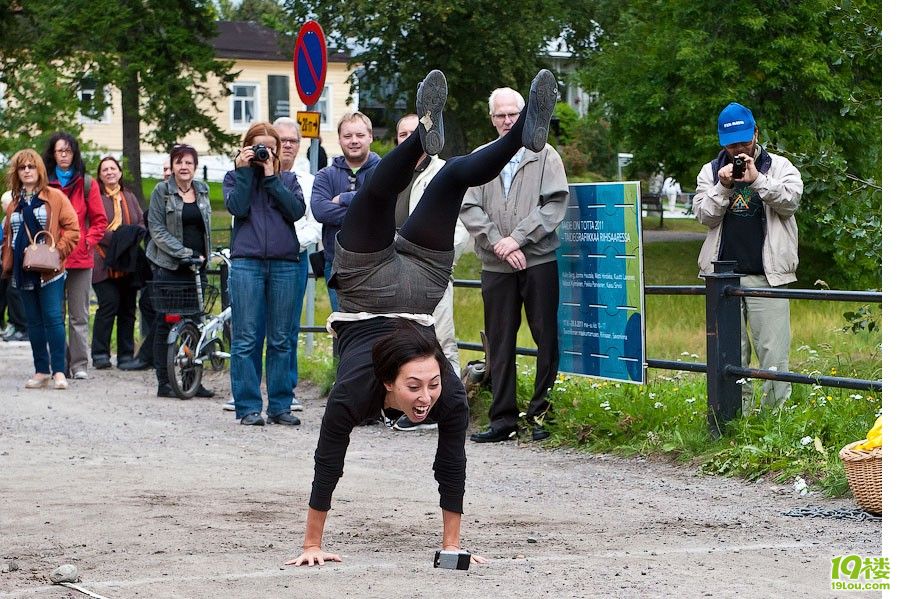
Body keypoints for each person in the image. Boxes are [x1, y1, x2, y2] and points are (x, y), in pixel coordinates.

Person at [284, 68, 557, 568]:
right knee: (419, 185)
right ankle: (423, 143)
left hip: (364, 283)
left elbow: (448, 462)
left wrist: (452, 545)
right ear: (391, 383)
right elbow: (330, 461)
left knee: (388, 195)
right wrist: (311, 547)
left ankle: (523, 132)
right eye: (419, 388)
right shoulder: (386, 387)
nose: (428, 396)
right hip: (421, 287)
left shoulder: (397, 388)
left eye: (430, 386)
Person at [460, 84, 569, 443]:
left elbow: (554, 204)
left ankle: (542, 413)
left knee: (545, 337)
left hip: (537, 260)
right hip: (495, 265)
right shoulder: (481, 156)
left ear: (523, 116)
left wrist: (518, 238)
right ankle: (503, 419)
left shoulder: (545, 154)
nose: (507, 121)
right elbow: (468, 206)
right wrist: (499, 244)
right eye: (500, 115)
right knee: (500, 341)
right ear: (491, 119)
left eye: (513, 114)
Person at [692, 102, 802, 412]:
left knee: (774, 355)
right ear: (722, 142)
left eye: (744, 141)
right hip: (723, 276)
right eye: (731, 144)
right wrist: (724, 186)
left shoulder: (780, 167)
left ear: (756, 133)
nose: (738, 150)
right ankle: (731, 420)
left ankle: (775, 423)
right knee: (730, 356)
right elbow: (704, 216)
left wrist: (758, 181)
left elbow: (791, 202)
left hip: (768, 274)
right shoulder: (710, 172)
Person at [390, 113, 469, 432]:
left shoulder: (445, 173)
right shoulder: (393, 173)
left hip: (431, 271)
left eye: (416, 133)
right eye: (402, 134)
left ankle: (449, 408)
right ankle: (412, 410)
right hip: (395, 273)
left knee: (441, 338)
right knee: (401, 341)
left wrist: (438, 259)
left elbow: (461, 227)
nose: (409, 139)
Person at [223, 122, 306, 426]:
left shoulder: (289, 179)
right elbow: (238, 208)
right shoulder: (234, 177)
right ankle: (247, 407)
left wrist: (272, 177)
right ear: (246, 147)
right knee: (245, 337)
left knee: (282, 338)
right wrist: (245, 172)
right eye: (257, 146)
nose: (263, 152)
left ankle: (281, 405)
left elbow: (296, 211)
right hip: (247, 263)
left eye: (269, 147)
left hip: (285, 263)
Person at [1, 150, 81, 390]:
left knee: (54, 319)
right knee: (33, 323)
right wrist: (6, 261)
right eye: (22, 167)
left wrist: (57, 252)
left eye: (31, 167)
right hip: (22, 270)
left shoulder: (54, 197)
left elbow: (73, 230)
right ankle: (41, 371)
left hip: (50, 271)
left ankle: (58, 371)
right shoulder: (13, 203)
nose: (27, 170)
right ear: (17, 172)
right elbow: (9, 237)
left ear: (39, 171)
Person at [145, 144, 215, 398]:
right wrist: (185, 253)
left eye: (188, 163)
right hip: (170, 266)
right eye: (179, 162)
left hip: (198, 268)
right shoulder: (161, 192)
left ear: (195, 166)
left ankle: (192, 379)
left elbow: (206, 226)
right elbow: (157, 229)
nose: (183, 167)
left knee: (197, 323)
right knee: (167, 323)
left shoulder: (203, 190)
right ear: (172, 166)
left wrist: (208, 255)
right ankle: (165, 381)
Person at [43, 132, 108, 380]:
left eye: (68, 151)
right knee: (54, 313)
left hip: (80, 259)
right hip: (51, 258)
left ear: (74, 153)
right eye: (60, 151)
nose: (64, 155)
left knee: (79, 315)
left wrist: (87, 242)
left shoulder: (87, 183)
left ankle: (80, 364)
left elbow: (100, 220)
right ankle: (59, 363)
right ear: (52, 153)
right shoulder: (45, 183)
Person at [310, 111, 380, 311]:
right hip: (336, 264)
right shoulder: (325, 175)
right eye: (347, 136)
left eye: (360, 135)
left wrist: (344, 198)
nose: (354, 141)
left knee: (375, 327)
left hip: (377, 264)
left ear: (370, 137)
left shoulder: (384, 170)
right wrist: (366, 210)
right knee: (343, 328)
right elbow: (320, 211)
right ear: (340, 140)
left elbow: (385, 208)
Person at [90, 156, 145, 370]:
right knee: (109, 303)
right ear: (100, 175)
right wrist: (119, 238)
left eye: (113, 168)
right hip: (102, 259)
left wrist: (129, 237)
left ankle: (125, 355)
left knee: (128, 308)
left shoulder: (129, 197)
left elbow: (140, 222)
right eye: (105, 169)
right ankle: (100, 353)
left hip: (127, 261)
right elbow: (93, 226)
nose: (110, 172)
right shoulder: (96, 197)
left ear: (120, 173)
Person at [121, 158, 169, 372]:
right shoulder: (160, 195)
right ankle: (153, 353)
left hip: (176, 264)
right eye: (165, 168)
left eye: (171, 167)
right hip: (157, 265)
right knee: (149, 304)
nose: (167, 172)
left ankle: (148, 355)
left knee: (158, 309)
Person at [0, 190, 29, 342]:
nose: (3, 206)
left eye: (3, 203)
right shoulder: (7, 218)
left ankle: (23, 328)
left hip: (21, 257)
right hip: (10, 258)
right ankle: (17, 326)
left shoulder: (18, 213)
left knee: (15, 292)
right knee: (11, 293)